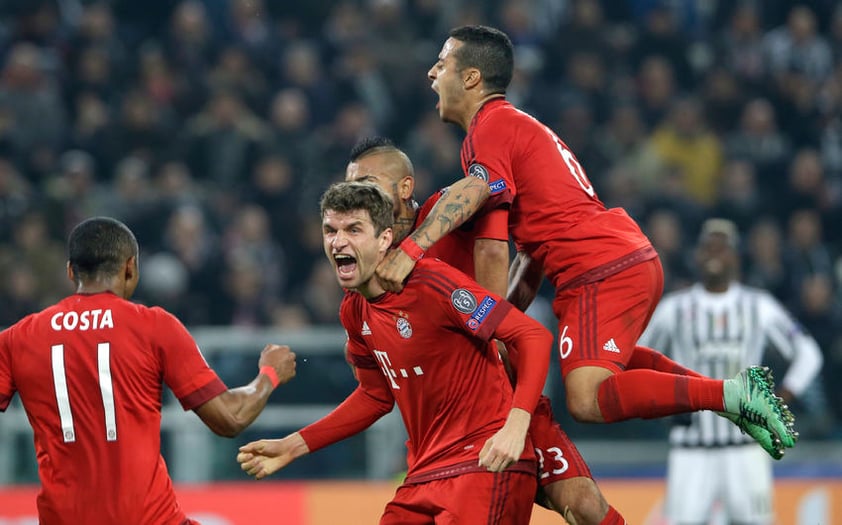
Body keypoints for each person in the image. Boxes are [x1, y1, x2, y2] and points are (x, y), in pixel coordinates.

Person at [373, 24, 796, 459]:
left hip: (599, 268)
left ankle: (730, 395)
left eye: (441, 64)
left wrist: (411, 251)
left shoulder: (493, 126)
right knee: (604, 365)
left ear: (471, 78)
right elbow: (526, 256)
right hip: (613, 259)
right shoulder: (504, 131)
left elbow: (484, 222)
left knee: (586, 398)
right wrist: (498, 324)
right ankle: (732, 399)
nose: (430, 73)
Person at [346, 136, 624, 525]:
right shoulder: (371, 254)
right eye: (352, 185)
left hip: (504, 394)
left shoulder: (437, 215)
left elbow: (485, 186)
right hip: (447, 425)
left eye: (368, 183)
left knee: (584, 506)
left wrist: (419, 249)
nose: (358, 193)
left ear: (404, 188)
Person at [238, 181, 553, 524]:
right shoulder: (354, 311)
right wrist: (294, 445)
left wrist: (515, 426)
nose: (338, 241)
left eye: (353, 230)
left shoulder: (431, 283)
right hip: (424, 473)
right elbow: (375, 396)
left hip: (484, 461)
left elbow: (533, 336)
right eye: (330, 230)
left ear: (385, 239)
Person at [0, 216, 297, 525]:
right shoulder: (154, 326)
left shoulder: (17, 338)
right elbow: (230, 418)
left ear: (71, 271)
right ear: (131, 268)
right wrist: (269, 375)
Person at [639, 218, 823, 525]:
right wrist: (658, 397)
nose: (714, 254)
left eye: (721, 248)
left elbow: (809, 353)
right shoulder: (675, 308)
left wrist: (782, 396)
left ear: (735, 256)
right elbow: (637, 355)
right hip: (690, 449)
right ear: (697, 255)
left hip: (745, 448)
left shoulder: (758, 306)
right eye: (707, 247)